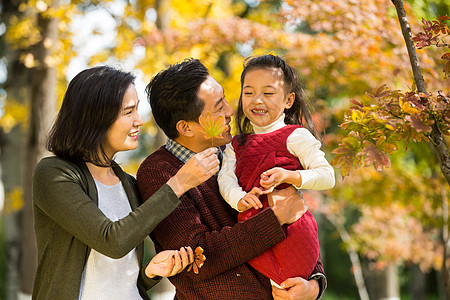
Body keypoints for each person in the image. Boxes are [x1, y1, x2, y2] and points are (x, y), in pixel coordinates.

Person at [137, 58, 327, 299]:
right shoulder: (159, 172)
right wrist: (275, 218)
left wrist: (313, 285)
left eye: (225, 99)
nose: (230, 111)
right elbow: (198, 257)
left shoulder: (239, 152)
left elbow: (297, 223)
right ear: (186, 128)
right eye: (218, 107)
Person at [32, 65, 220, 299]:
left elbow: (117, 279)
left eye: (137, 110)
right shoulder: (55, 174)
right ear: (96, 117)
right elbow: (112, 241)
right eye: (128, 111)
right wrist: (178, 183)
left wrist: (149, 273)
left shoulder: (128, 184)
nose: (139, 121)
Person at [218, 54, 335, 287]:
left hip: (293, 229)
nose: (257, 101)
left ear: (288, 100)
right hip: (252, 230)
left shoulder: (295, 136)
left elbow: (327, 176)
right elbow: (225, 179)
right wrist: (239, 199)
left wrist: (289, 175)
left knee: (289, 282)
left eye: (268, 93)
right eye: (249, 93)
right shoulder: (236, 145)